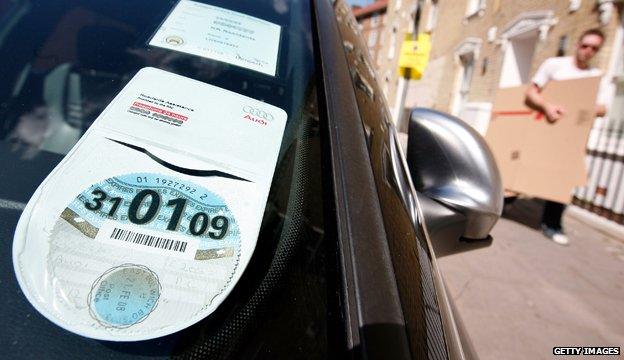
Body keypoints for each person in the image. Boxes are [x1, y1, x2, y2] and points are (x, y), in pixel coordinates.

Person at [524, 28, 609, 245]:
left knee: (562, 179)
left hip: (570, 136)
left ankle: (552, 224)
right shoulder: (555, 66)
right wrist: (548, 106)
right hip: (544, 126)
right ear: (577, 44)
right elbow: (531, 92)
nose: (588, 51)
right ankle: (502, 204)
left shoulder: (594, 77)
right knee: (524, 167)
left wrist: (576, 108)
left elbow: (602, 108)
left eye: (594, 48)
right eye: (585, 45)